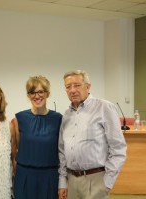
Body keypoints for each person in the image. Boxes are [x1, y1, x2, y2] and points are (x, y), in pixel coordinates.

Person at [58, 70, 127, 199]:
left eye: (77, 85)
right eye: (68, 87)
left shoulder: (104, 108)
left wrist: (107, 182)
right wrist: (63, 182)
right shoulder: (66, 115)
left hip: (96, 180)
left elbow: (118, 149)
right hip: (72, 180)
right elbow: (62, 152)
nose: (72, 90)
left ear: (88, 86)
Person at [13, 75, 62, 199]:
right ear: (28, 95)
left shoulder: (58, 119)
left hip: (50, 176)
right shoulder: (20, 118)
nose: (36, 96)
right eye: (32, 92)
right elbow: (17, 147)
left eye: (40, 92)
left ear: (47, 94)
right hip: (24, 175)